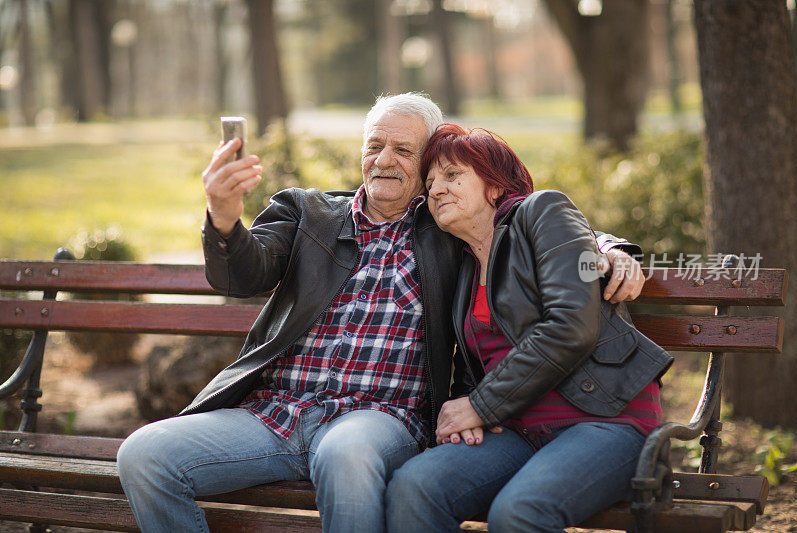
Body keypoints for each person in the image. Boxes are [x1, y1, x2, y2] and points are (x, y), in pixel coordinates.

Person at [116, 94, 644, 533]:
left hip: (379, 418)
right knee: (145, 454)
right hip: (276, 413)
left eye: (403, 149)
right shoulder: (308, 214)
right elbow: (242, 275)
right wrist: (225, 218)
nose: (385, 159)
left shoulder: (444, 225)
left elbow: (525, 215)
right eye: (374, 145)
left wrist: (610, 248)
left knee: (347, 454)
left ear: (429, 162)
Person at [385, 124, 674, 533]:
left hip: (604, 420)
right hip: (518, 430)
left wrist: (479, 406)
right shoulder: (465, 266)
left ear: (496, 185)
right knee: (414, 487)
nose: (435, 190)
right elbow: (476, 370)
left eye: (453, 175)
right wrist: (466, 413)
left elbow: (570, 325)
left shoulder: (542, 212)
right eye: (430, 183)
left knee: (519, 511)